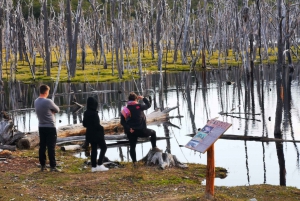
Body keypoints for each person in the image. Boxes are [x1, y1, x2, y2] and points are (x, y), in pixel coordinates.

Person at [120, 92, 162, 166]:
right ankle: (154, 147)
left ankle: (134, 162)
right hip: (141, 131)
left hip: (131, 131)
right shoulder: (139, 106)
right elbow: (148, 105)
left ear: (128, 100)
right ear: (136, 99)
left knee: (132, 147)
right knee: (153, 132)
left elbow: (122, 122)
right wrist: (143, 98)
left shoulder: (125, 109)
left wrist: (129, 129)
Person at [34, 84, 60, 172]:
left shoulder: (36, 101)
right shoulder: (48, 101)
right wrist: (52, 111)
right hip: (50, 126)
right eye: (48, 91)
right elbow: (57, 109)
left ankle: (43, 165)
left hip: (41, 126)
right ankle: (53, 166)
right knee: (51, 147)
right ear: (46, 92)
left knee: (42, 146)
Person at [83, 97, 108, 172]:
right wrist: (102, 128)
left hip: (89, 133)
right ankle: (100, 164)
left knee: (94, 149)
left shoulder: (86, 112)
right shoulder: (94, 113)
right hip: (97, 134)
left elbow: (84, 124)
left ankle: (93, 167)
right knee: (104, 147)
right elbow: (97, 125)